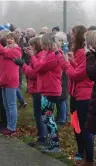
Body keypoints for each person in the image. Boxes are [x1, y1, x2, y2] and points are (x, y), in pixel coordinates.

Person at [59, 25, 94, 164]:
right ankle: (84, 155)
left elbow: (76, 74)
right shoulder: (87, 56)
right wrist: (72, 61)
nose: (70, 35)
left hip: (85, 95)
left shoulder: (88, 56)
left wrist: (64, 62)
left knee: (85, 129)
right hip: (78, 93)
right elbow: (78, 70)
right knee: (78, 124)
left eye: (73, 33)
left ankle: (88, 158)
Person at [14, 36, 47, 147]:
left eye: (30, 45)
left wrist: (23, 64)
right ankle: (41, 136)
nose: (28, 47)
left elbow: (33, 74)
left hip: (39, 88)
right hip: (36, 88)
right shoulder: (37, 56)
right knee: (38, 114)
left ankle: (43, 138)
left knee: (39, 114)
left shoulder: (40, 56)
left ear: (34, 46)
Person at [83, 30, 96, 166]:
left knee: (89, 130)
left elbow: (91, 73)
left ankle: (89, 161)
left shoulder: (91, 56)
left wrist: (90, 55)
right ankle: (88, 160)